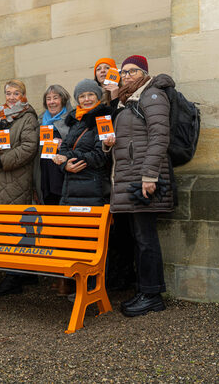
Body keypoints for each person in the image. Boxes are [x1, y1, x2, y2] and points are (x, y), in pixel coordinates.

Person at [103, 54, 174, 317]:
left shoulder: (152, 95)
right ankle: (145, 291)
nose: (127, 76)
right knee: (139, 237)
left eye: (133, 71)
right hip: (129, 176)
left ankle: (152, 295)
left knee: (146, 238)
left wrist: (149, 176)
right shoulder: (127, 99)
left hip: (143, 178)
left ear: (144, 72)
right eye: (123, 72)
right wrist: (107, 143)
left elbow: (159, 137)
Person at [0, 79, 39, 296]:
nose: (11, 97)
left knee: (13, 231)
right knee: (0, 230)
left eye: (16, 93)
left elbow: (29, 147)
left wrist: (2, 160)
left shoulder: (28, 117)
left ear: (23, 95)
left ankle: (13, 279)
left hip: (13, 182)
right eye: (8, 93)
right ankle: (16, 274)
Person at [52, 79, 111, 297]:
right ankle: (74, 286)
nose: (86, 99)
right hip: (70, 189)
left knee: (88, 242)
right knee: (70, 239)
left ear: (98, 97)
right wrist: (65, 164)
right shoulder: (76, 121)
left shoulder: (103, 119)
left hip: (91, 189)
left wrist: (68, 159)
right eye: (82, 96)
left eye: (90, 95)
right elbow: (65, 148)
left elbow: (99, 156)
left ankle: (91, 290)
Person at [94, 57, 136, 292]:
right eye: (98, 69)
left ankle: (125, 277)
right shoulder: (95, 98)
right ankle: (112, 278)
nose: (102, 72)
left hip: (122, 170)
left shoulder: (122, 97)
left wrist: (115, 94)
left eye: (106, 69)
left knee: (124, 229)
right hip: (102, 170)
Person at [32, 84, 74, 296]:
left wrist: (63, 143)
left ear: (63, 100)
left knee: (64, 232)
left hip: (63, 181)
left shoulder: (71, 120)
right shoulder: (40, 122)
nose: (51, 102)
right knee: (51, 232)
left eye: (55, 98)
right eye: (48, 98)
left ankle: (67, 279)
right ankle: (57, 275)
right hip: (45, 180)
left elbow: (76, 146)